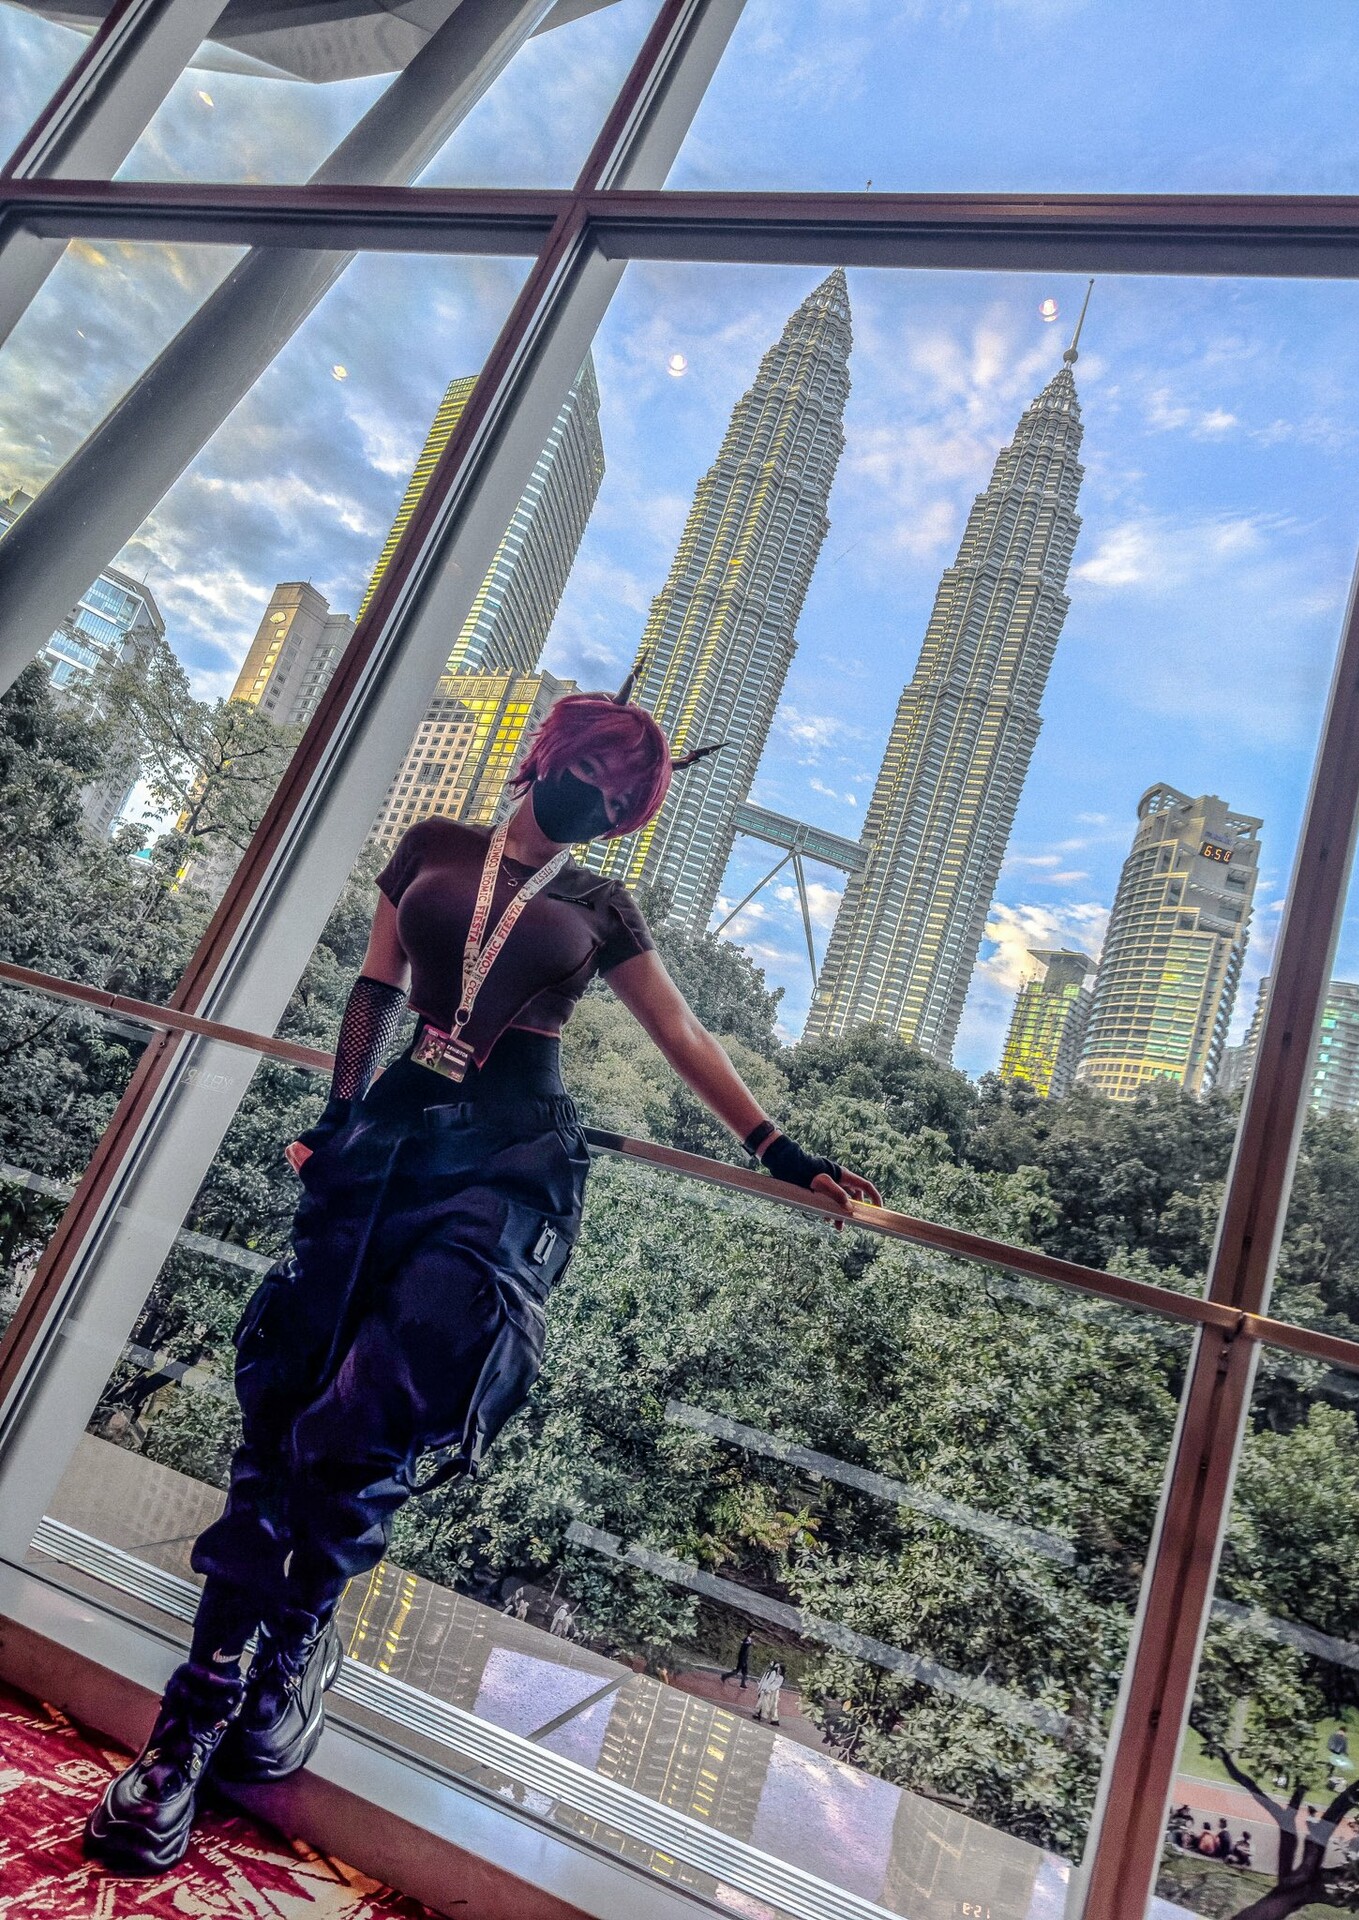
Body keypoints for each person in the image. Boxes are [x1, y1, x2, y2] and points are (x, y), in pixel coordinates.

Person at [83, 685, 880, 1875]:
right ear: (546, 754)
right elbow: (375, 987)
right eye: (590, 772)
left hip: (508, 1170)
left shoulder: (601, 906)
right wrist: (338, 1116)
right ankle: (192, 1721)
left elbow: (681, 1033)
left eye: (622, 796)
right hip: (392, 1139)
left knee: (363, 1422)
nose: (596, 799)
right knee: (281, 1412)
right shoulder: (432, 847)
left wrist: (781, 1150)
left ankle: (287, 1652)